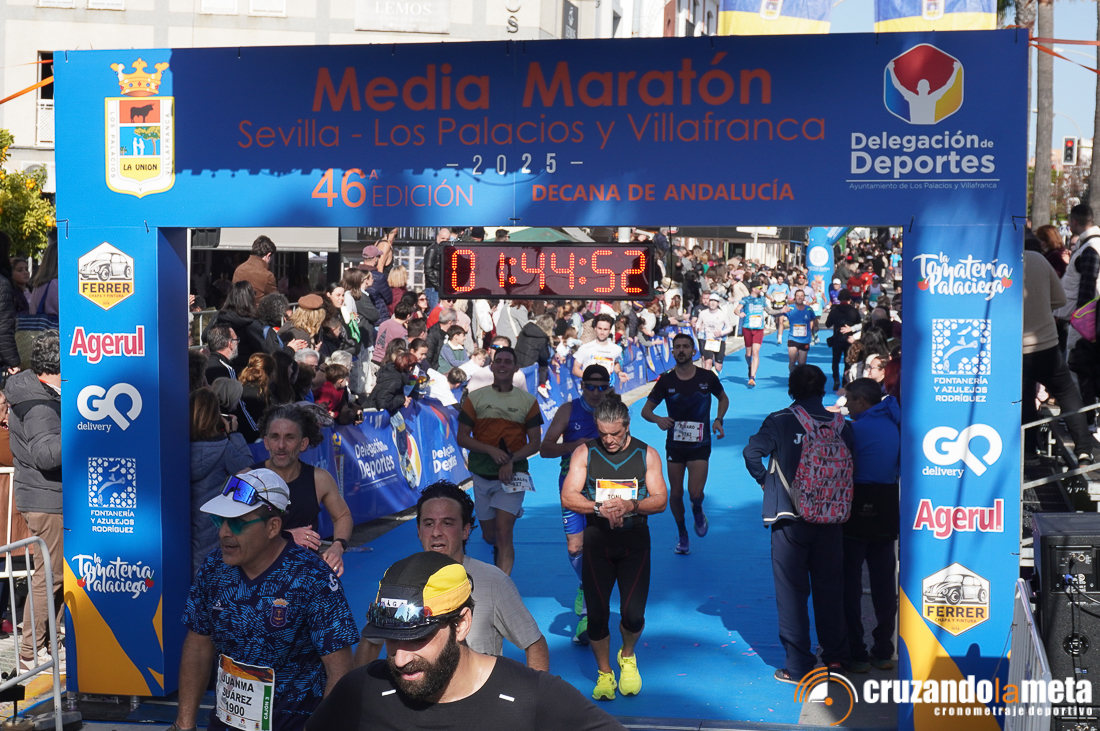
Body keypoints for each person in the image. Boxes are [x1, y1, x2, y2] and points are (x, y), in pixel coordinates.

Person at [308, 551, 625, 731]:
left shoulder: (532, 697)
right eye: (391, 640)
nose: (400, 659)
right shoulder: (361, 690)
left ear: (461, 624)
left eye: (417, 638)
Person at [173, 468, 358, 731]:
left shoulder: (312, 578)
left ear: (272, 527)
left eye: (237, 523)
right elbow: (198, 645)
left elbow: (340, 670)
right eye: (220, 520)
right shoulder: (214, 568)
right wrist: (184, 724)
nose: (224, 532)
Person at [354, 482, 549, 670]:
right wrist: (359, 690)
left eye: (447, 523)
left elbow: (534, 643)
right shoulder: (398, 579)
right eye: (428, 524)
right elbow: (370, 642)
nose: (436, 532)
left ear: (465, 530)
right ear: (418, 531)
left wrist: (536, 692)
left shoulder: (494, 582)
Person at [743, 365, 853, 683]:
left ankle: (799, 665)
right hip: (832, 519)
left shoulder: (780, 420)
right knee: (830, 590)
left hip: (790, 518)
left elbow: (751, 453)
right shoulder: (841, 425)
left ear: (791, 389)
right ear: (822, 388)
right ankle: (836, 657)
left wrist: (766, 481)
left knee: (791, 594)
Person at [560, 396, 668, 701]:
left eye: (615, 434)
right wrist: (598, 507)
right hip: (598, 542)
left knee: (633, 615)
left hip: (635, 543)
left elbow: (660, 499)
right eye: (603, 433)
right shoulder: (585, 452)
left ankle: (627, 656)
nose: (608, 440)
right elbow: (568, 495)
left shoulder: (647, 454)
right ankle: (605, 672)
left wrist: (631, 505)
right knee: (596, 615)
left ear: (627, 426)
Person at [540, 365, 615, 644]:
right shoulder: (568, 411)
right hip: (572, 486)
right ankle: (586, 584)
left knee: (603, 545)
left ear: (608, 387)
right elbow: (545, 449)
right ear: (581, 386)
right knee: (575, 547)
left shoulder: (614, 410)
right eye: (590, 387)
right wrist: (575, 446)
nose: (595, 392)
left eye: (601, 387)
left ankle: (590, 612)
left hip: (606, 487)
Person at [456, 347, 542, 576]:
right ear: (492, 366)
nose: (503, 365)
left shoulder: (528, 401)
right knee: (490, 535)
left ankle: (502, 586)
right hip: (482, 475)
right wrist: (490, 450)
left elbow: (535, 443)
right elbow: (462, 437)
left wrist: (510, 460)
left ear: (516, 369)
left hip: (513, 476)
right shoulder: (475, 398)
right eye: (499, 361)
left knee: (504, 534)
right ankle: (506, 519)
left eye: (508, 362)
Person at [4, 330, 62, 671]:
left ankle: (48, 643)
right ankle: (30, 652)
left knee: (53, 574)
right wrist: (83, 430)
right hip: (46, 498)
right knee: (50, 575)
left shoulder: (36, 393)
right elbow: (46, 455)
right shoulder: (40, 405)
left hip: (44, 496)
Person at [640, 333, 728, 555]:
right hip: (675, 446)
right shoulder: (666, 381)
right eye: (677, 347)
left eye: (685, 346)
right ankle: (682, 534)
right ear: (672, 352)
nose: (681, 350)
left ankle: (697, 509)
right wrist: (658, 419)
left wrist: (718, 420)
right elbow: (645, 411)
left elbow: (723, 398)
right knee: (676, 493)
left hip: (700, 444)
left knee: (695, 493)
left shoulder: (707, 377)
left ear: (693, 351)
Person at [840, 378, 900, 674]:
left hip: (857, 504)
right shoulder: (894, 425)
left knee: (849, 584)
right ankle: (883, 650)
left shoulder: (854, 429)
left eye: (849, 400)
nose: (846, 405)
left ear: (861, 401)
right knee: (884, 583)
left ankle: (857, 653)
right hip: (887, 505)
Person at [252, 403, 354, 575]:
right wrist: (286, 537)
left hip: (306, 575)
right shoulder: (247, 479)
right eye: (275, 437)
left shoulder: (319, 479)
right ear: (266, 442)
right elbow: (233, 531)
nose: (281, 445)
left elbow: (342, 515)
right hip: (259, 576)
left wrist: (338, 546)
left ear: (303, 443)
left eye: (290, 437)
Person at [1023, 249, 1096, 466]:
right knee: (1066, 392)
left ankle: (1028, 453)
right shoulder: (1038, 259)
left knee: (1025, 396)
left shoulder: (991, 262)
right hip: (1046, 342)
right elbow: (1060, 299)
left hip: (1014, 347)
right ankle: (1084, 451)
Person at [189, 388, 253, 578]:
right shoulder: (225, 449)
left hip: (184, 530)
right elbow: (248, 469)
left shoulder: (175, 449)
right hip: (213, 528)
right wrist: (234, 433)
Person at [824, 290, 863, 391]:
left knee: (835, 361)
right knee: (848, 361)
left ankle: (836, 379)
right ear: (849, 299)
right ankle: (846, 380)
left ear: (839, 298)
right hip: (850, 339)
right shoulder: (854, 311)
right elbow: (859, 324)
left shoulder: (835, 310)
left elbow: (827, 324)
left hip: (837, 338)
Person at [733, 278, 768, 388]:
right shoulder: (746, 299)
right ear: (753, 289)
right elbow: (736, 309)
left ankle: (752, 377)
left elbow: (769, 310)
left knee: (755, 352)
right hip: (747, 328)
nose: (761, 290)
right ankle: (750, 366)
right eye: (759, 288)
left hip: (759, 329)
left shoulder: (762, 299)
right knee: (748, 354)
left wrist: (781, 311)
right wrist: (739, 314)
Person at [572, 315, 623, 382]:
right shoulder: (585, 348)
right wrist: (590, 377)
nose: (602, 332)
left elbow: (615, 363)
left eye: (605, 329)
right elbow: (575, 369)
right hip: (589, 386)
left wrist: (619, 373)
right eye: (599, 328)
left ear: (610, 330)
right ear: (595, 328)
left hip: (608, 386)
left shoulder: (616, 349)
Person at [232, 235, 278, 306]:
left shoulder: (239, 269)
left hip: (238, 311)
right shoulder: (267, 276)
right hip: (257, 312)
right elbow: (276, 300)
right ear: (268, 255)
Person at [779, 289, 818, 372]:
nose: (800, 297)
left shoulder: (809, 309)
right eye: (798, 296)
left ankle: (800, 378)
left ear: (804, 297)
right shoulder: (790, 308)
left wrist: (815, 326)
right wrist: (780, 312)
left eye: (801, 296)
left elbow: (813, 319)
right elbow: (779, 313)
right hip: (793, 338)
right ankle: (792, 375)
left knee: (802, 363)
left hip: (805, 340)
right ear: (795, 297)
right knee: (792, 360)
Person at [694, 293, 733, 373]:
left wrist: (721, 333)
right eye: (711, 301)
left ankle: (715, 372)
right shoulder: (703, 313)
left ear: (718, 303)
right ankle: (707, 379)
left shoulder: (723, 315)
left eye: (715, 301)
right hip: (708, 340)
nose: (713, 303)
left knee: (718, 367)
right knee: (707, 362)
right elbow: (697, 324)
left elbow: (730, 328)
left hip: (719, 341)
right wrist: (698, 328)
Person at [359, 246, 394, 325]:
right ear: (375, 259)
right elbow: (389, 299)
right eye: (379, 257)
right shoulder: (379, 276)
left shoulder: (354, 274)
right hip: (378, 318)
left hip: (360, 318)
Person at [422, 228, 449, 310]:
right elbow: (428, 269)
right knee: (433, 311)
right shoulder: (432, 249)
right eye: (443, 238)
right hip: (433, 289)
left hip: (441, 288)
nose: (445, 241)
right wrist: (437, 285)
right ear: (437, 237)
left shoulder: (445, 250)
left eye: (447, 239)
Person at [766, 273, 791, 345]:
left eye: (782, 279)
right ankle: (778, 331)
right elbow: (767, 294)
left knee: (781, 321)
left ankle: (780, 338)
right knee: (777, 321)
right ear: (777, 279)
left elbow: (788, 294)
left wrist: (788, 299)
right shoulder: (773, 286)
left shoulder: (785, 286)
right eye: (779, 279)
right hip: (775, 305)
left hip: (782, 305)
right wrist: (771, 298)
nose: (780, 281)